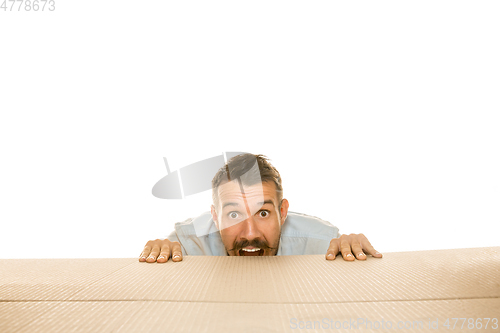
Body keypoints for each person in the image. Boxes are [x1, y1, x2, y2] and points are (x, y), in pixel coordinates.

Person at [139, 153, 382, 263]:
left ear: (283, 212)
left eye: (263, 213)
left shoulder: (319, 242)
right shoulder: (189, 242)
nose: (251, 234)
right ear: (215, 216)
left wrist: (350, 245)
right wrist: (161, 248)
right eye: (234, 214)